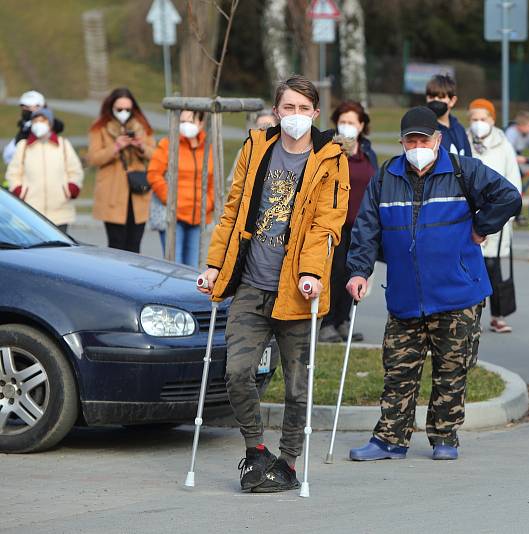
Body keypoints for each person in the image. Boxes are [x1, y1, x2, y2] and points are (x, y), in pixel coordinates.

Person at [197, 75, 349, 493]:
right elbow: (233, 210)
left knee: (298, 385)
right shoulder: (257, 146)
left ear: (315, 113)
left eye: (304, 109)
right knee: (237, 372)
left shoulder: (331, 159)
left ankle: (289, 462)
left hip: (297, 291)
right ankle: (255, 449)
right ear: (277, 110)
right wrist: (214, 265)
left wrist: (312, 274)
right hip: (250, 284)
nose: (296, 116)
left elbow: (326, 224)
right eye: (288, 108)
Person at [346, 106, 521, 461]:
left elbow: (509, 197)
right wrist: (359, 271)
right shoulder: (386, 176)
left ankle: (445, 436)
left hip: (458, 292)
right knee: (397, 371)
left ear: (437, 140)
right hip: (406, 295)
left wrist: (481, 226)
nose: (416, 145)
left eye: (423, 139)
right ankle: (390, 440)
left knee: (451, 370)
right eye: (410, 140)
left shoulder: (462, 170)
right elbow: (366, 228)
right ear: (401, 142)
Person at [319, 100, 377, 343]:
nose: (347, 126)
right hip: (335, 223)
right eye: (343, 122)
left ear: (361, 125)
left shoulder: (368, 153)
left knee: (353, 274)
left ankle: (344, 320)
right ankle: (328, 322)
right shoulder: (330, 149)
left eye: (351, 122)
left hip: (360, 225)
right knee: (334, 273)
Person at [466, 98, 522, 333]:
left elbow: (513, 178)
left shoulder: (503, 143)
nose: (479, 123)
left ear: (492, 119)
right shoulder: (464, 141)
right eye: (474, 119)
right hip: (471, 219)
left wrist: (506, 214)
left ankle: (498, 315)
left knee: (495, 269)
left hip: (497, 217)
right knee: (470, 269)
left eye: (483, 118)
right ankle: (470, 316)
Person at [87, 87, 156, 253]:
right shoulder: (100, 127)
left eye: (128, 109)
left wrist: (140, 146)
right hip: (112, 192)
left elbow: (155, 155)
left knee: (135, 245)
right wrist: (116, 146)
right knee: (116, 245)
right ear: (111, 107)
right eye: (120, 109)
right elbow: (94, 158)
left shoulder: (142, 126)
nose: (124, 112)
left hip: (137, 192)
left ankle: (133, 278)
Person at [146, 110, 214, 267]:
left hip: (198, 217)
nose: (186, 125)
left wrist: (209, 203)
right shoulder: (168, 144)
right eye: (182, 121)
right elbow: (153, 174)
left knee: (192, 269)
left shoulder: (208, 148)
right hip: (173, 216)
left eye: (190, 121)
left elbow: (213, 181)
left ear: (201, 123)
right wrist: (170, 199)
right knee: (174, 267)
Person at [5, 108, 83, 233]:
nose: (39, 124)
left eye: (43, 120)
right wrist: (19, 192)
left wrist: (70, 189)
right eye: (35, 121)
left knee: (59, 250)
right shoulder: (23, 146)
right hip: (30, 213)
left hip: (60, 212)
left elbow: (75, 170)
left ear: (50, 124)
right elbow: (13, 173)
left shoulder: (63, 144)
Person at [3, 90, 65, 165]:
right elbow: (9, 154)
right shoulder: (24, 124)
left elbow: (58, 126)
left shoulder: (42, 125)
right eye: (24, 107)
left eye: (28, 107)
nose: (25, 110)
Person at [425, 74, 471, 157]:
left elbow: (469, 161)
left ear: (452, 101)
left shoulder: (459, 129)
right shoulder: (423, 129)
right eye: (431, 97)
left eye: (441, 97)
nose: (435, 100)